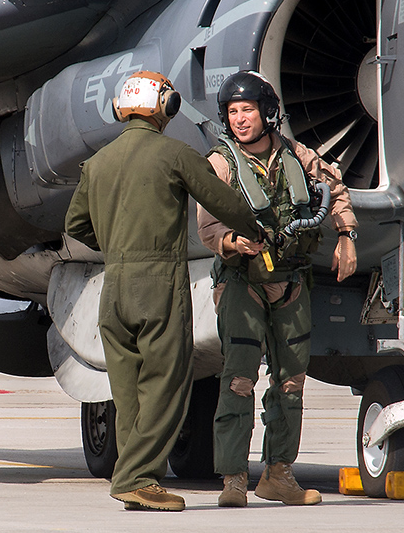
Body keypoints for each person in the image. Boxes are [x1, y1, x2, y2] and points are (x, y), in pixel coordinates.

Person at [65, 70, 261, 512]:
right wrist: (259, 229)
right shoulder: (175, 153)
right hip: (158, 285)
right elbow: (221, 202)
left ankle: (138, 479)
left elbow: (75, 225)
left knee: (130, 389)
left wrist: (115, 242)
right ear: (165, 106)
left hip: (113, 287)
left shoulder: (97, 163)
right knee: (170, 386)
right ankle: (135, 478)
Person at [197, 71, 358, 508]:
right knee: (238, 380)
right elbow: (208, 224)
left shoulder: (297, 155)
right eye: (232, 112)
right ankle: (233, 479)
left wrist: (346, 235)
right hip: (242, 283)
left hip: (290, 281)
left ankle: (278, 474)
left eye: (247, 110)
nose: (240, 120)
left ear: (267, 113)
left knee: (291, 383)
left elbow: (335, 187)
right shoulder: (221, 162)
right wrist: (232, 242)